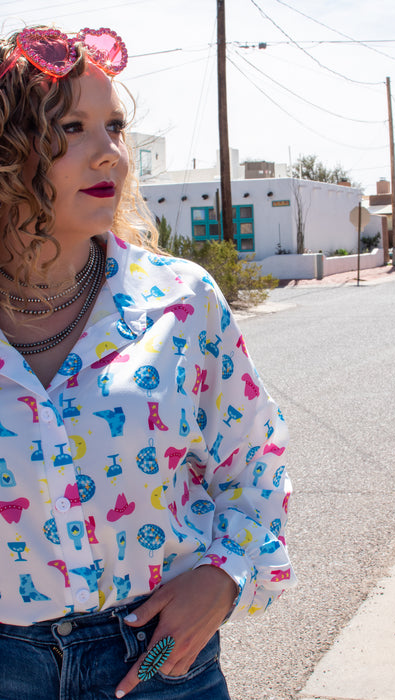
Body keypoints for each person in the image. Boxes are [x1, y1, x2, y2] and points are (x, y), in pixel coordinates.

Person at [0, 24, 295, 700]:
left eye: (115, 127)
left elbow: (254, 459)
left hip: (156, 660)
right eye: (72, 127)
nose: (109, 154)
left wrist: (224, 578)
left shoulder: (181, 301)